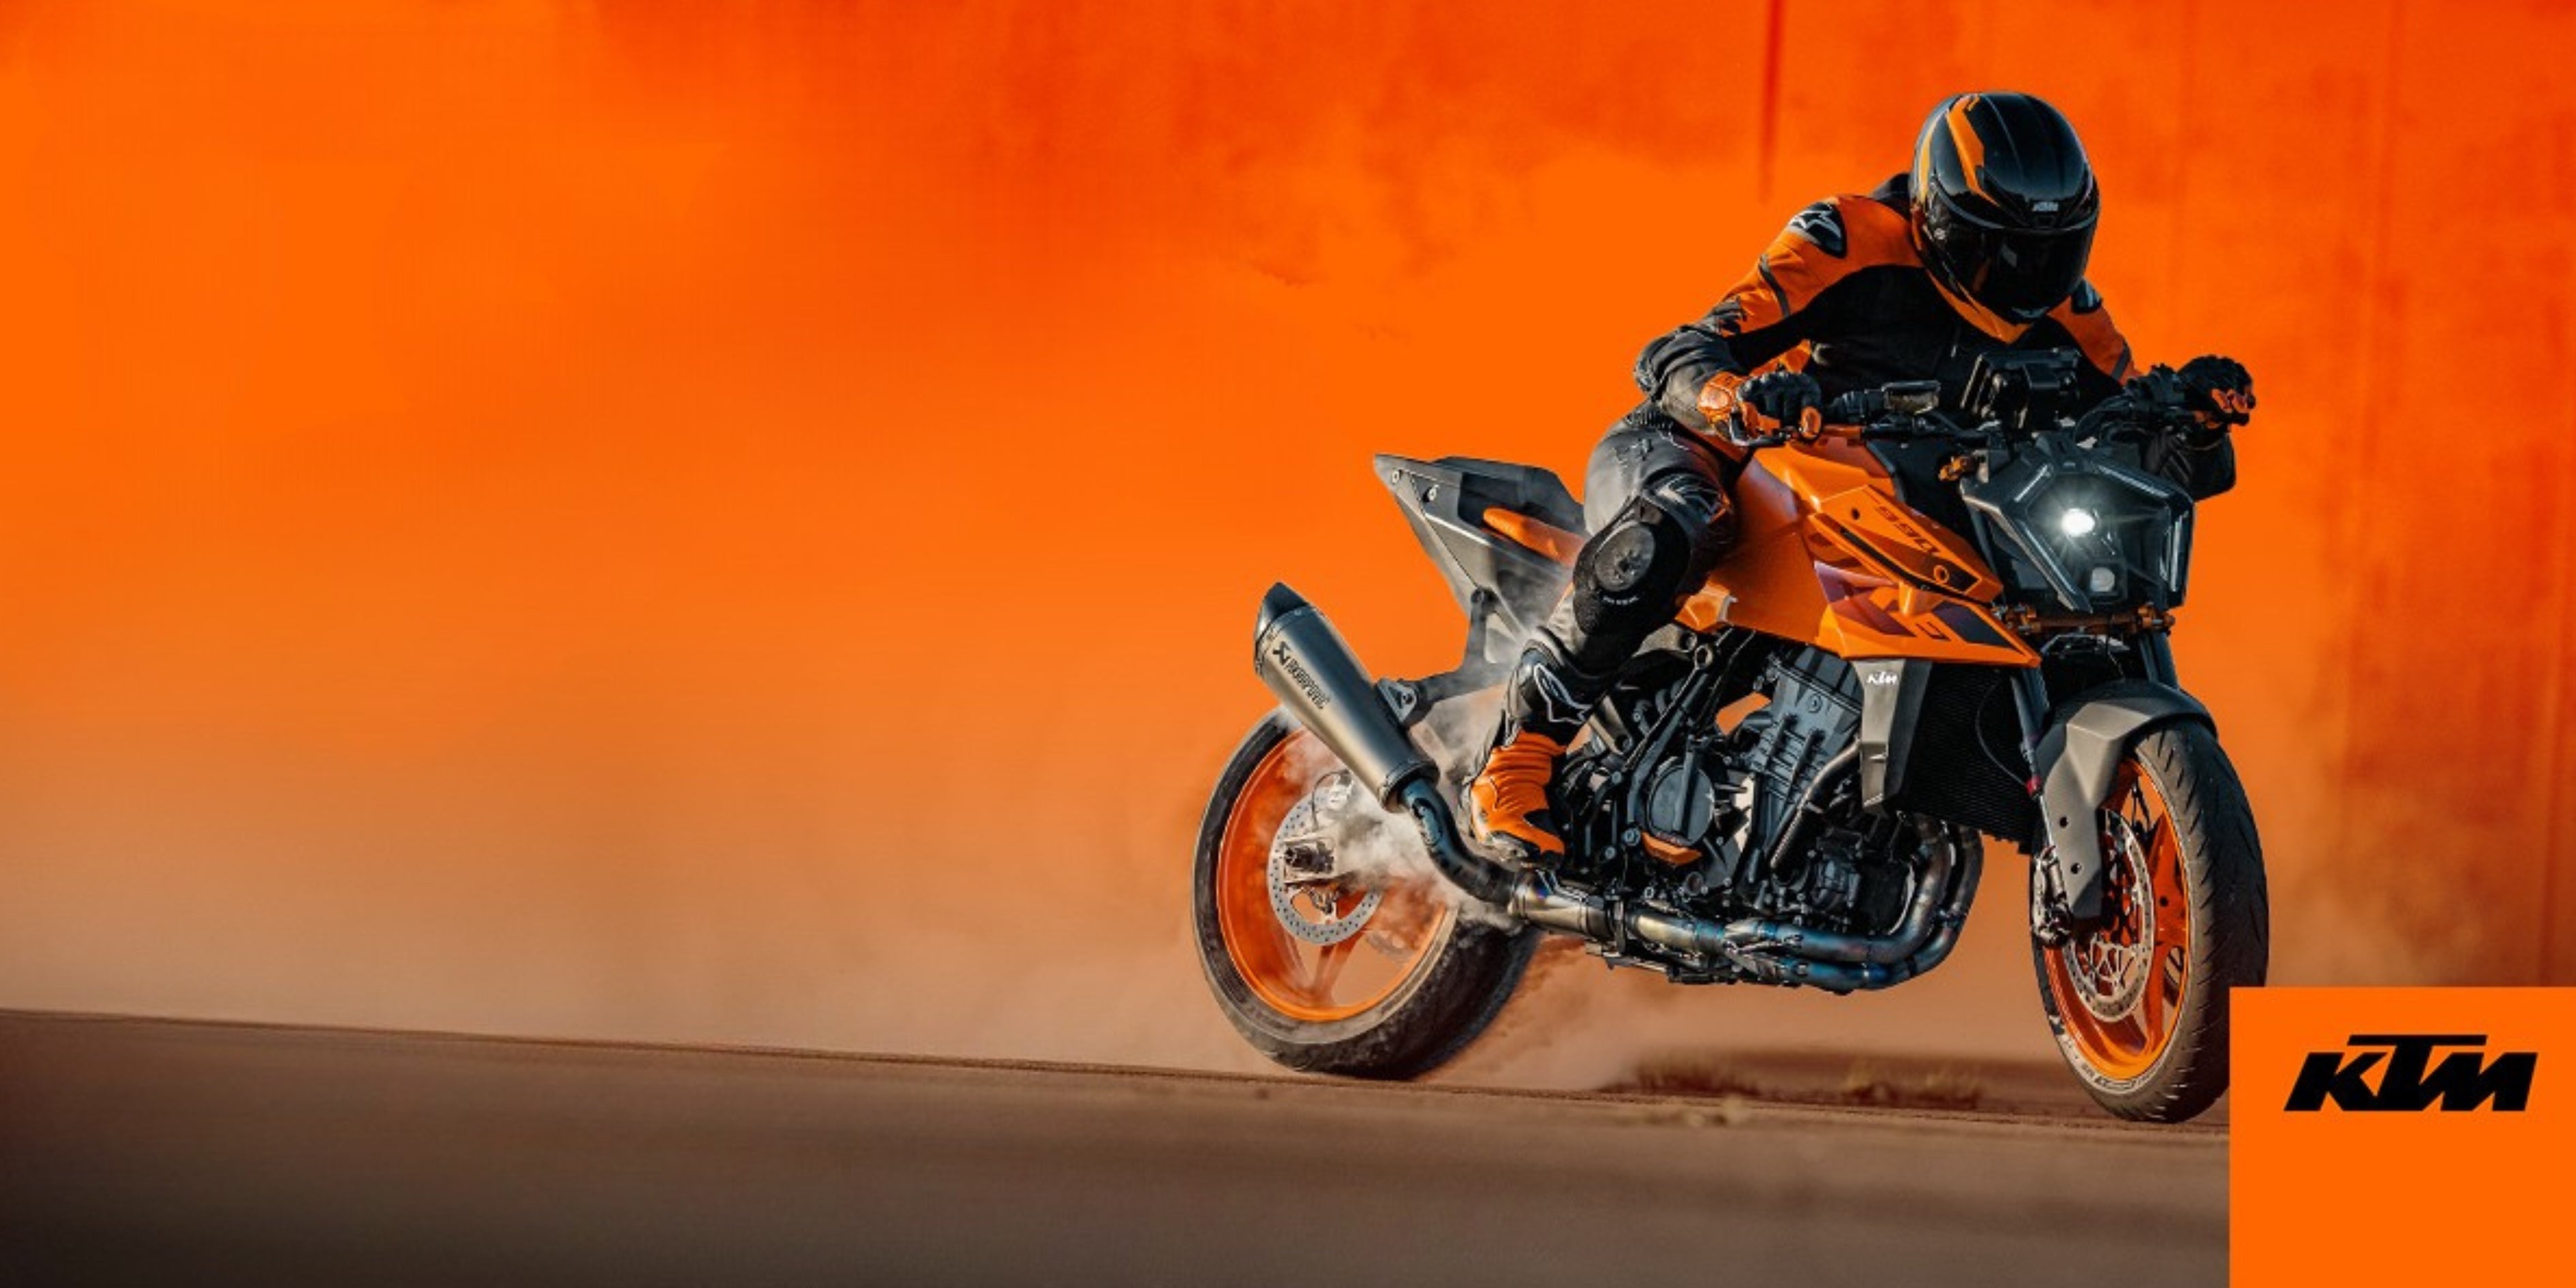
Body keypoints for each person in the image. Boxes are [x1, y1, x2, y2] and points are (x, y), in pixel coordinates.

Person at [1466, 90, 2258, 864]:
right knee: (1683, 519)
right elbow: (1685, 348)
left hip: (1891, 492)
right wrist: (1737, 396)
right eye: (2000, 247)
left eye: (2050, 251)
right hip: (1723, 451)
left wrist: (2193, 418)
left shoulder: (2069, 313)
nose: (2024, 274)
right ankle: (1517, 759)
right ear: (1938, 216)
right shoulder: (1849, 239)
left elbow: (2138, 436)